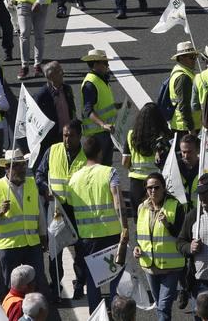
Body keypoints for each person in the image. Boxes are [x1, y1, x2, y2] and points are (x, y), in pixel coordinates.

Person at [69, 133, 127, 311]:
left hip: (87, 237)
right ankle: (118, 313)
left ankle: (95, 314)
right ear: (100, 152)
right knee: (115, 277)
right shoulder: (110, 172)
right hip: (111, 234)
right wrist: (125, 227)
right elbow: (117, 201)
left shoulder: (74, 179)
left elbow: (71, 205)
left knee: (93, 281)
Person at [0, 148, 48, 297]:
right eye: (18, 166)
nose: (22, 169)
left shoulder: (31, 184)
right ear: (8, 168)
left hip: (32, 243)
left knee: (36, 281)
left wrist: (43, 234)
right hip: (9, 245)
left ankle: (34, 311)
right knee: (10, 285)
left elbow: (39, 212)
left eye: (23, 165)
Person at [38, 119, 86, 302]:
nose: (67, 139)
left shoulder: (86, 155)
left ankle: (80, 284)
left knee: (80, 249)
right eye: (65, 135)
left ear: (79, 136)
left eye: (71, 136)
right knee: (55, 249)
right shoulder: (52, 151)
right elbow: (39, 174)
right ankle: (56, 285)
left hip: (78, 211)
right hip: (56, 208)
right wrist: (44, 188)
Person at [134, 170, 186, 321]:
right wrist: (137, 248)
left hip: (171, 267)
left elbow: (182, 235)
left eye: (157, 187)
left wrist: (167, 225)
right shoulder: (141, 207)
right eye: (149, 188)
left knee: (163, 306)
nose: (153, 191)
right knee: (159, 306)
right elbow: (140, 235)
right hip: (150, 266)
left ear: (163, 188)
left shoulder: (175, 206)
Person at [125, 101, 170, 206]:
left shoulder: (131, 135)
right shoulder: (162, 136)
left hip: (136, 182)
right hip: (156, 182)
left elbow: (125, 162)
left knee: (140, 217)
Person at [79, 49, 118, 164]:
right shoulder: (90, 84)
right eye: (105, 63)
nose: (107, 65)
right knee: (100, 165)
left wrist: (117, 106)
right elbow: (88, 110)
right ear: (95, 64)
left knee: (106, 165)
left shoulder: (101, 79)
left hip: (105, 132)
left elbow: (101, 104)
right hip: (98, 134)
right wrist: (103, 124)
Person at [33, 60, 75, 152]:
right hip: (53, 138)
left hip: (69, 134)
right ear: (51, 76)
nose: (63, 73)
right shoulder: (41, 95)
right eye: (59, 71)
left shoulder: (67, 89)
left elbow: (72, 109)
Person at [169, 41, 202, 135]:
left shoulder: (180, 70)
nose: (194, 60)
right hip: (185, 128)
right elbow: (184, 105)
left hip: (184, 126)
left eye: (195, 57)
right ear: (181, 58)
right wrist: (191, 129)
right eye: (192, 57)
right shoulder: (183, 78)